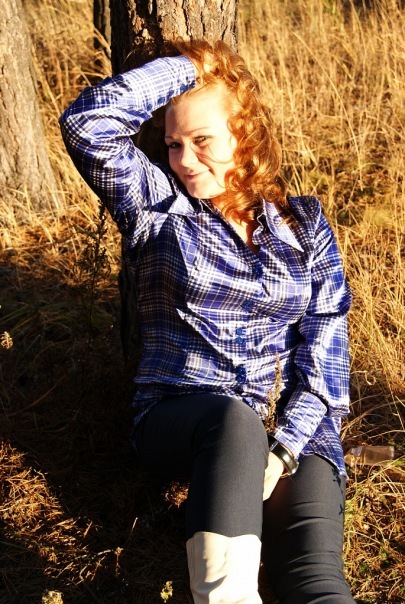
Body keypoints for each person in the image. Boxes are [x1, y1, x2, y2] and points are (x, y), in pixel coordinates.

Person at [60, 39, 355, 604]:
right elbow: (86, 123)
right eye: (174, 144)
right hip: (184, 413)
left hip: (290, 429)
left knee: (316, 579)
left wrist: (285, 447)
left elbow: (326, 344)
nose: (185, 160)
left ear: (245, 135)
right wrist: (195, 68)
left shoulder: (304, 223)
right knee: (234, 423)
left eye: (202, 141)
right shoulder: (156, 207)